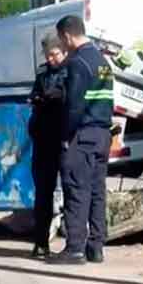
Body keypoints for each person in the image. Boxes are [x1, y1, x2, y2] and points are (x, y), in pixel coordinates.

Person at [51, 15, 113, 265]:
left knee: (76, 188)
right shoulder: (102, 61)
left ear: (67, 36)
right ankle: (96, 246)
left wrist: (66, 136)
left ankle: (75, 247)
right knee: (97, 191)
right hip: (102, 133)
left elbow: (74, 106)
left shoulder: (77, 63)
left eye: (61, 40)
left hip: (83, 134)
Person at [27, 34, 68, 258]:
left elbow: (70, 98)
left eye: (55, 54)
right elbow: (34, 94)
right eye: (48, 55)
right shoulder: (42, 73)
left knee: (72, 190)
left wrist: (53, 96)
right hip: (43, 138)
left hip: (64, 137)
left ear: (64, 52)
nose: (52, 59)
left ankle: (74, 242)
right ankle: (40, 242)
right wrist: (37, 98)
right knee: (43, 193)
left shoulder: (71, 71)